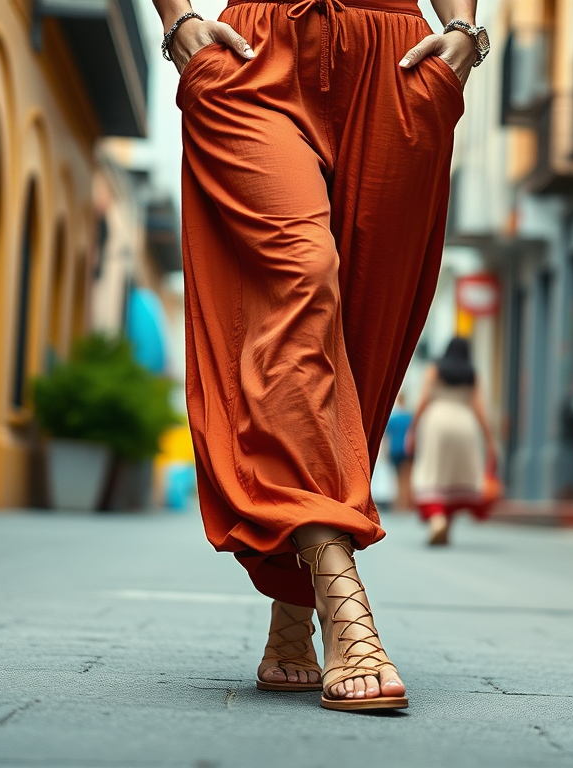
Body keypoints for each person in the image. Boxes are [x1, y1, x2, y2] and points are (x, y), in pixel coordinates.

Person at [154, 0, 489, 711]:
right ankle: (347, 610)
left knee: (360, 344)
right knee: (300, 281)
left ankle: (291, 606)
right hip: (254, 53)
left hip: (397, 61)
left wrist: (461, 32)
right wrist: (176, 20)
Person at [407, 337, 497, 546]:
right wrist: (490, 441)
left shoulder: (434, 370)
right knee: (456, 477)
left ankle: (438, 521)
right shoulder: (472, 374)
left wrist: (412, 430)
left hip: (437, 423)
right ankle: (447, 528)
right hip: (465, 425)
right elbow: (480, 409)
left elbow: (423, 401)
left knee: (433, 474)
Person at [384, 393, 414, 510]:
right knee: (407, 478)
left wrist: (385, 453)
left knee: (397, 479)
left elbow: (386, 438)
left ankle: (398, 505)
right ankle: (407, 505)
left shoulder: (393, 419)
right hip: (407, 450)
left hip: (394, 450)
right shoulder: (409, 417)